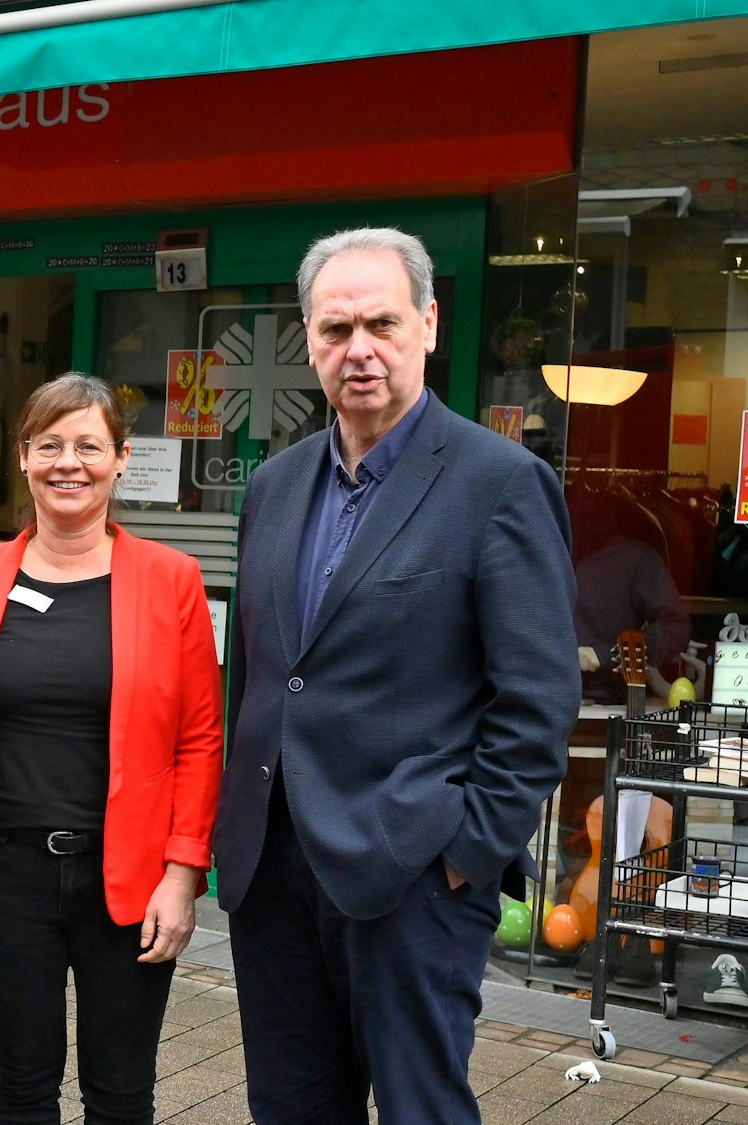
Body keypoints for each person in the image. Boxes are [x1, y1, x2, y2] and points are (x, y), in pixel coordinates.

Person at [215, 227, 579, 1121]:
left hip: (413, 872)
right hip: (273, 871)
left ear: (427, 322)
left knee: (421, 1108)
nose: (360, 349)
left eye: (381, 323)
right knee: (292, 1109)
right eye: (336, 330)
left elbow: (537, 703)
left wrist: (464, 854)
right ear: (309, 340)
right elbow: (262, 674)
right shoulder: (275, 484)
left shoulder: (500, 481)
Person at [0, 372, 223, 1124]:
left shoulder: (171, 580)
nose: (68, 462)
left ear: (120, 459)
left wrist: (184, 874)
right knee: (21, 1086)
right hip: (5, 876)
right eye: (49, 444)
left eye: (89, 445)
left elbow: (201, 738)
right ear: (24, 457)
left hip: (130, 880)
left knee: (119, 1092)